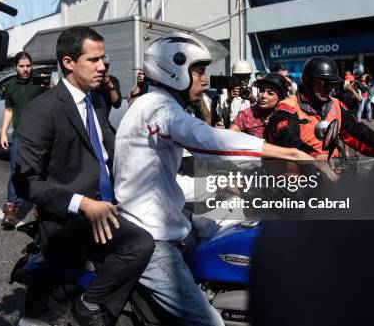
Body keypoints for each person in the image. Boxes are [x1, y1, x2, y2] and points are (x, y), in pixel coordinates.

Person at [113, 32, 316, 326]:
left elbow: (166, 173)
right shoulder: (158, 108)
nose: (205, 80)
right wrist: (289, 154)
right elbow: (211, 140)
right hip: (153, 237)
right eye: (198, 71)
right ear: (172, 68)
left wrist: (224, 183)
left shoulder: (154, 107)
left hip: (165, 221)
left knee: (237, 224)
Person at [13, 26, 154, 326]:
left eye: (103, 59)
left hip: (112, 206)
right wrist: (84, 204)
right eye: (93, 60)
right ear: (68, 62)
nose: (102, 67)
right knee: (140, 244)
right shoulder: (42, 110)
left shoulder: (98, 102)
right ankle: (89, 308)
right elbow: (27, 184)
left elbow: (112, 152)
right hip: (71, 222)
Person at [266, 56, 374, 159]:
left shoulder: (336, 105)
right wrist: (313, 156)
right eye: (322, 83)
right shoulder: (288, 107)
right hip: (295, 181)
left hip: (330, 175)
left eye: (332, 83)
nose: (328, 88)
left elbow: (358, 132)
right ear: (306, 81)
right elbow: (287, 139)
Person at [0, 51, 48, 229]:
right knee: (15, 171)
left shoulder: (39, 80)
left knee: (40, 171)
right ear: (15, 67)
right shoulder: (10, 85)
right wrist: (3, 133)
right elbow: (9, 110)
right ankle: (11, 210)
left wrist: (50, 84)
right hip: (19, 135)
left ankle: (40, 208)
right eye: (22, 66)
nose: (26, 69)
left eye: (28, 66)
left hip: (39, 135)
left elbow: (53, 100)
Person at [230, 72, 288, 139]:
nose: (263, 96)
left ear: (280, 98)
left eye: (270, 93)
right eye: (262, 91)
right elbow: (229, 139)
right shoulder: (246, 115)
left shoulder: (286, 115)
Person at [215, 59, 257, 128]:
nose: (243, 81)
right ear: (234, 77)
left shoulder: (255, 91)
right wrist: (229, 100)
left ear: (249, 77)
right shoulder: (226, 91)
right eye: (240, 78)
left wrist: (252, 99)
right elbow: (218, 112)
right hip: (232, 130)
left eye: (245, 77)